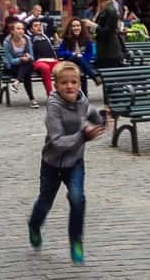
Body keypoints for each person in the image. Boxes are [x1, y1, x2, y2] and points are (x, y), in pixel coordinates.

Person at [27, 60, 106, 265]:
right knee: (45, 202)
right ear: (56, 85)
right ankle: (34, 225)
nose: (69, 86)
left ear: (79, 84)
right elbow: (57, 141)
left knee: (78, 198)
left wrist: (103, 118)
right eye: (64, 83)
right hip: (52, 163)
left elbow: (92, 115)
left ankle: (76, 241)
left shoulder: (82, 100)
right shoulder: (53, 107)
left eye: (74, 82)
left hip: (75, 162)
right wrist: (83, 136)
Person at [3, 22, 38, 108]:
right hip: (13, 68)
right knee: (27, 71)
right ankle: (32, 99)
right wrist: (21, 59)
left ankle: (16, 83)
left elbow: (32, 57)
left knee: (27, 64)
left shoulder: (27, 39)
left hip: (25, 66)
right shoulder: (7, 43)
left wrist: (28, 57)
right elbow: (10, 61)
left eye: (22, 29)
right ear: (12, 31)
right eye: (18, 29)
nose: (21, 31)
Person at [57, 18, 99, 84]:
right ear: (70, 28)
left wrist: (82, 59)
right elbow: (60, 53)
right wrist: (72, 53)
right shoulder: (66, 39)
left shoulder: (86, 39)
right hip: (69, 62)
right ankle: (94, 76)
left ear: (81, 27)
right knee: (77, 57)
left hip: (82, 64)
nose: (76, 28)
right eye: (73, 26)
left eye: (78, 26)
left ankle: (84, 94)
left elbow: (89, 54)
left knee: (81, 69)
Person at [92, 0, 124, 68]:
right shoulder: (103, 9)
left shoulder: (110, 10)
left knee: (109, 77)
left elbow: (107, 32)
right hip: (104, 51)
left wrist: (93, 26)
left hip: (110, 52)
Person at [28, 20, 62, 97]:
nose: (39, 27)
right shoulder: (30, 38)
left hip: (52, 60)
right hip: (39, 62)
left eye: (40, 25)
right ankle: (50, 95)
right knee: (45, 68)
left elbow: (53, 29)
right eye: (35, 26)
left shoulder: (46, 36)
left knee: (63, 68)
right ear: (31, 29)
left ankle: (62, 93)